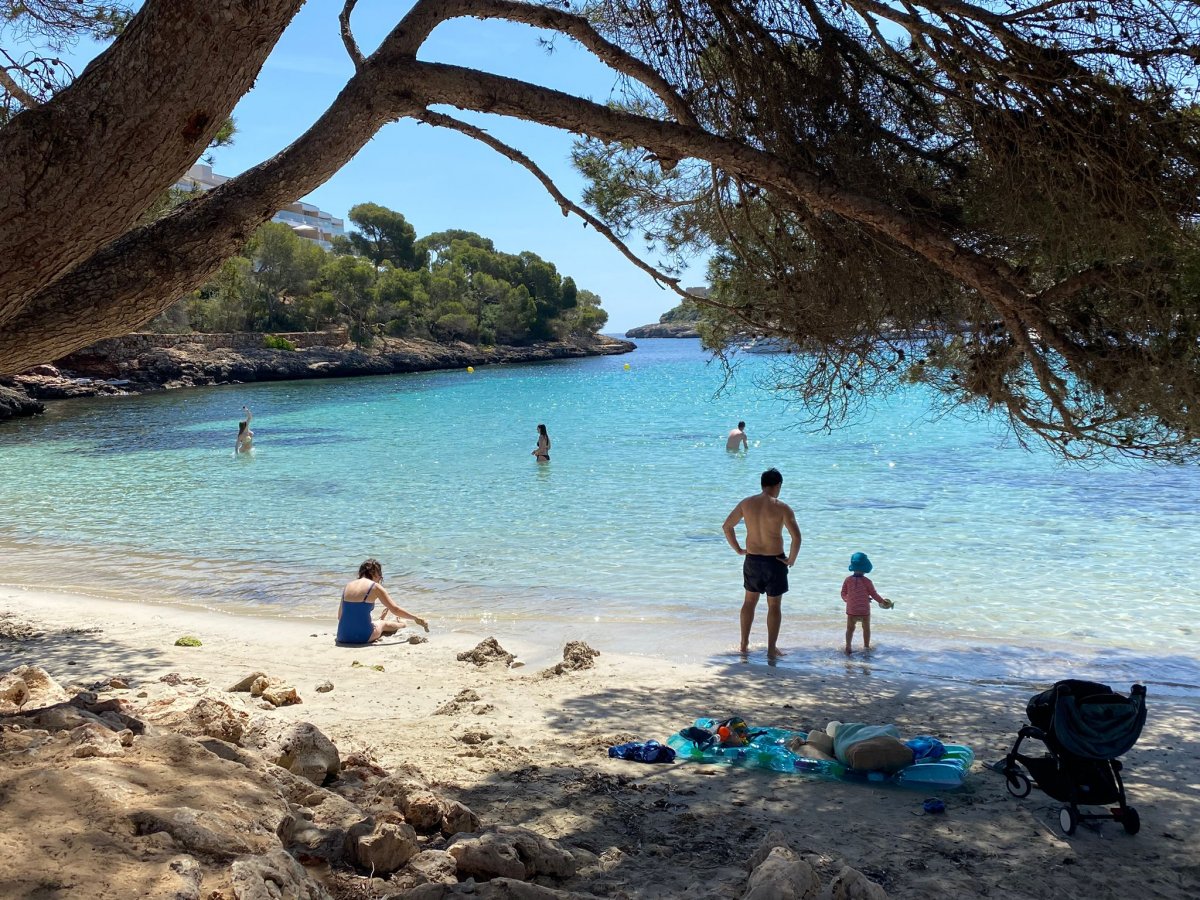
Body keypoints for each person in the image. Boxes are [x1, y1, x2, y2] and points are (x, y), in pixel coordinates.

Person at [722, 467, 802, 658]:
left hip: (752, 560)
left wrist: (738, 549)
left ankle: (744, 644)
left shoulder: (746, 503)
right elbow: (796, 537)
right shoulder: (782, 507)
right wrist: (791, 560)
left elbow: (727, 526)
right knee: (774, 606)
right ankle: (771, 649)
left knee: (749, 602)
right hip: (775, 561)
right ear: (778, 485)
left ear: (762, 484)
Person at [336, 558, 429, 645]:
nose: (380, 578)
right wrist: (415, 618)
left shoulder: (348, 585)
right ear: (374, 573)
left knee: (376, 622)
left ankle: (381, 620)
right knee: (382, 623)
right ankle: (402, 624)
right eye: (380, 575)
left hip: (342, 636)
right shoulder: (375, 587)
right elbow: (395, 609)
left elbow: (340, 616)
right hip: (362, 637)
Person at [841, 552, 891, 655]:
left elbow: (843, 593)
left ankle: (848, 647)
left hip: (852, 610)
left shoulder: (848, 580)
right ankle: (866, 647)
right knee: (866, 629)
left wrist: (848, 600)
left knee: (850, 629)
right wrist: (882, 601)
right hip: (864, 611)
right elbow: (874, 594)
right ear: (866, 567)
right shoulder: (867, 581)